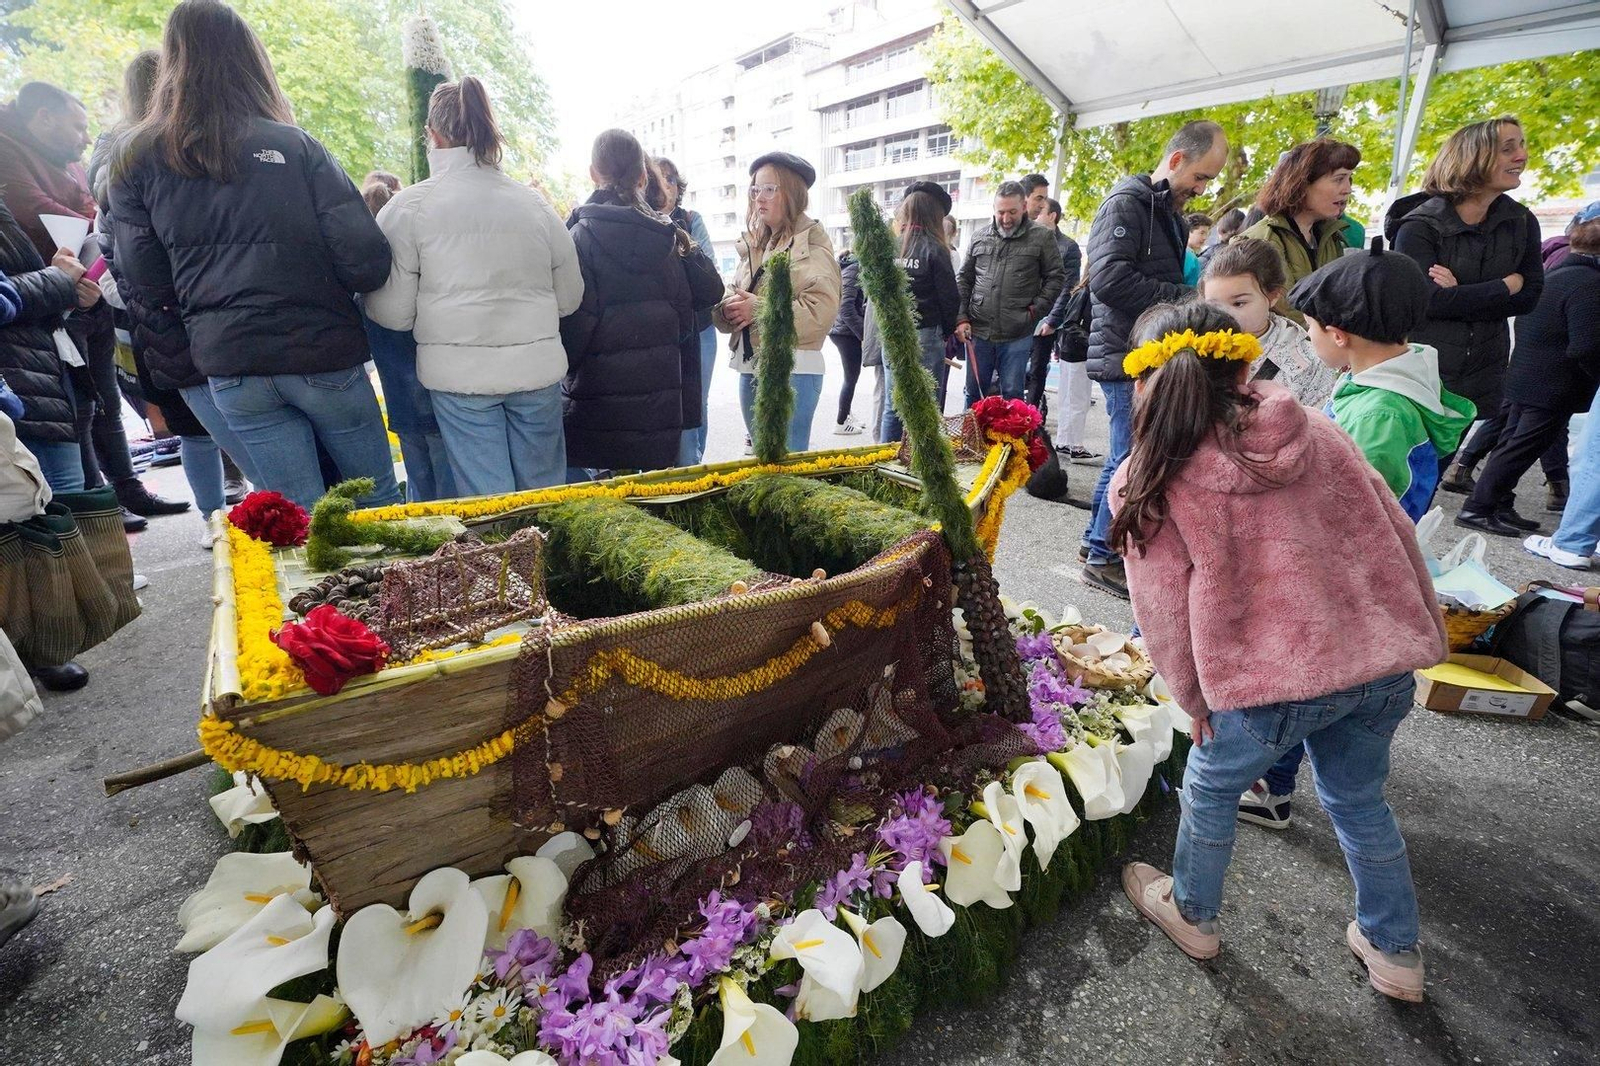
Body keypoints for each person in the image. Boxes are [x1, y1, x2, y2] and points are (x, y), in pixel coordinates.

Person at [1113, 300, 1445, 1004]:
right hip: (1378, 662)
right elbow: (1396, 534)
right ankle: (1395, 951)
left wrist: (1192, 698)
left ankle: (1193, 914)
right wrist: (1420, 630)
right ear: (1242, 361)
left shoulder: (1151, 475)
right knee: (1359, 800)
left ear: (1144, 384)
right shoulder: (1321, 430)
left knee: (1210, 786)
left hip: (1264, 684)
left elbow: (1164, 612)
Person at [109, 0, 400, 510]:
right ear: (251, 59)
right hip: (322, 349)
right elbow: (366, 259)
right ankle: (399, 590)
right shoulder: (296, 146)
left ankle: (322, 594)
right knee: (379, 501)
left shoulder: (136, 158)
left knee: (301, 519)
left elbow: (145, 279)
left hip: (231, 362)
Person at [1230, 240, 1472, 831]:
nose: (1307, 337)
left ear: (1339, 334)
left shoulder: (1379, 412)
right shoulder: (1400, 381)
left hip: (1341, 568)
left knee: (1301, 679)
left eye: (1310, 326)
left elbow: (1341, 502)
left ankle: (1269, 786)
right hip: (1370, 565)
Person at [367, 81, 581, 495]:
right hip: (537, 372)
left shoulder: (408, 208)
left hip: (460, 381)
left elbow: (392, 313)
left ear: (433, 135)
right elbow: (570, 298)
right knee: (546, 495)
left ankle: (510, 561)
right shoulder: (534, 205)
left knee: (489, 499)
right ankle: (552, 557)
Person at [0, 80, 189, 529]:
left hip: (82, 292)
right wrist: (91, 234)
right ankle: (97, 512)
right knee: (76, 411)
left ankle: (123, 490)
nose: (85, 138)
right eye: (77, 126)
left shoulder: (63, 162)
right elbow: (38, 210)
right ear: (43, 118)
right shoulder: (8, 154)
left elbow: (90, 206)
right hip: (46, 307)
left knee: (104, 396)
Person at [1080, 119, 1228, 599]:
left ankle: (1095, 545)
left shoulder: (1163, 209)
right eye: (1202, 177)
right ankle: (1102, 556)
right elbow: (1108, 280)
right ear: (1178, 159)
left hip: (1142, 348)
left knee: (1126, 452)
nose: (1202, 188)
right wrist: (1185, 299)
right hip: (1126, 350)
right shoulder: (1128, 204)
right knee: (1128, 455)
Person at [1387, 116, 1543, 490]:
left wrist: (1462, 291)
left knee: (1431, 479)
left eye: (1522, 145)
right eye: (1508, 148)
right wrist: (1503, 285)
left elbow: (1531, 295)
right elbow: (1427, 302)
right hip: (1422, 374)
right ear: (1472, 157)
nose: (1522, 156)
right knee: (1401, 478)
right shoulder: (1419, 225)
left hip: (1480, 373)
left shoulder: (1521, 221)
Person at [563, 130, 721, 475]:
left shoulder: (578, 238)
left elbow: (574, 331)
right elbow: (709, 293)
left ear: (593, 173)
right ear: (643, 176)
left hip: (599, 410)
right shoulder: (669, 235)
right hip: (659, 412)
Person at [1464, 204, 1600, 543]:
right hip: (1554, 382)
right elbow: (1586, 346)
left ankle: (1495, 503)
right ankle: (1479, 507)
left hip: (1527, 373)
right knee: (1518, 448)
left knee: (1511, 443)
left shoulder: (1555, 274)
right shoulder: (1589, 284)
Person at [1442, 211, 1580, 508]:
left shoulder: (1548, 253)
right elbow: (1440, 300)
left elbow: (1524, 298)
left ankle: (1470, 475)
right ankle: (1495, 498)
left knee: (1508, 414)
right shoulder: (1574, 267)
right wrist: (1503, 287)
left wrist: (1466, 292)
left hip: (1522, 352)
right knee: (1536, 423)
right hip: (1543, 360)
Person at [714, 152, 839, 454]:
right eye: (755, 190)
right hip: (749, 364)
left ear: (793, 192)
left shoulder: (812, 245)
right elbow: (736, 295)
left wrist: (758, 310)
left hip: (794, 369)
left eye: (770, 189)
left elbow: (820, 312)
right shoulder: (757, 243)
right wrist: (727, 309)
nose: (759, 198)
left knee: (785, 464)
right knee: (763, 461)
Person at [357, 174, 454, 502]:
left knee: (418, 478)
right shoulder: (420, 274)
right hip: (434, 394)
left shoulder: (365, 283)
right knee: (447, 482)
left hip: (399, 401)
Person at [956, 181, 1066, 405]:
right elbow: (964, 279)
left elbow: (1056, 277)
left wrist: (1035, 311)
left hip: (1018, 332)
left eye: (1012, 212)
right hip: (979, 330)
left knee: (1013, 396)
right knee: (974, 393)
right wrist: (961, 317)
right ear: (994, 210)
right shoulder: (979, 237)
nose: (1006, 219)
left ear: (1024, 207)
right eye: (1001, 212)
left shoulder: (1042, 237)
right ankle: (974, 439)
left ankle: (1010, 440)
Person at [1236, 138, 1361, 323]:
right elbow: (1285, 314)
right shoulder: (1261, 240)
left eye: (1349, 179)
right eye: (1339, 179)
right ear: (1302, 183)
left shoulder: (1331, 236)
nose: (1348, 189)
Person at [1203, 238, 1337, 408]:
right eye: (1214, 306)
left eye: (1239, 303)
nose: (1226, 316)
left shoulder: (1309, 361)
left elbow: (1318, 427)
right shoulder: (1189, 347)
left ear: (1273, 296)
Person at [881, 181, 960, 442]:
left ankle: (885, 459)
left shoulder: (890, 246)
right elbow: (950, 298)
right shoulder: (936, 248)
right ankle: (924, 464)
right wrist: (947, 333)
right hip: (926, 333)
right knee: (925, 407)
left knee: (893, 406)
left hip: (892, 333)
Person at [653, 157, 720, 466]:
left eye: (670, 179)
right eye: (657, 178)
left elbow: (708, 273)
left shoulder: (691, 220)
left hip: (699, 328)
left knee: (696, 403)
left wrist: (678, 236)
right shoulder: (638, 221)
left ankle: (694, 462)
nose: (665, 185)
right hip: (661, 330)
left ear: (678, 187)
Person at [1027, 197, 1082, 411]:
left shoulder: (1068, 247)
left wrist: (1052, 321)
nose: (1036, 214)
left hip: (1045, 319)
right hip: (1022, 316)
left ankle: (1030, 417)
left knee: (1037, 370)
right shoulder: (1029, 240)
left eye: (1041, 211)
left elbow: (1069, 287)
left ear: (1052, 216)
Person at [828, 248, 866, 435]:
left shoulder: (849, 265)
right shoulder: (855, 268)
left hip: (842, 329)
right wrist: (864, 334)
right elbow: (846, 309)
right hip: (845, 332)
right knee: (851, 377)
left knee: (850, 377)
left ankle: (847, 414)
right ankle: (841, 422)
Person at [1182, 212, 1212, 285]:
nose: (1205, 238)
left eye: (1207, 234)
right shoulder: (1190, 257)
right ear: (1189, 231)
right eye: (1202, 233)